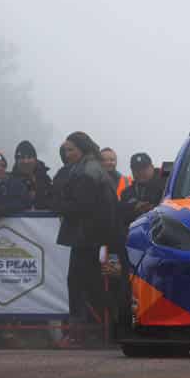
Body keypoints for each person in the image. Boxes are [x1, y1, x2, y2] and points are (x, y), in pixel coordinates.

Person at [52, 132, 119, 348]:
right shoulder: (91, 168)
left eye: (71, 149)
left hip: (87, 237)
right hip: (92, 236)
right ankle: (116, 329)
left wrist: (56, 204)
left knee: (79, 284)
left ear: (81, 149)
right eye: (65, 149)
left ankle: (78, 334)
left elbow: (82, 207)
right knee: (92, 286)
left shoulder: (86, 172)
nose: (67, 153)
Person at [118, 152, 165, 227]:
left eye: (144, 168)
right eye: (136, 169)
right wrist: (135, 209)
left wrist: (154, 208)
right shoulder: (126, 193)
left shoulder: (165, 187)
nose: (140, 172)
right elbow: (120, 217)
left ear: (152, 167)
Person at [12, 140, 54, 208]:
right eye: (22, 157)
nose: (26, 161)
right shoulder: (8, 183)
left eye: (29, 157)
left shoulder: (46, 180)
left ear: (35, 159)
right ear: (16, 160)